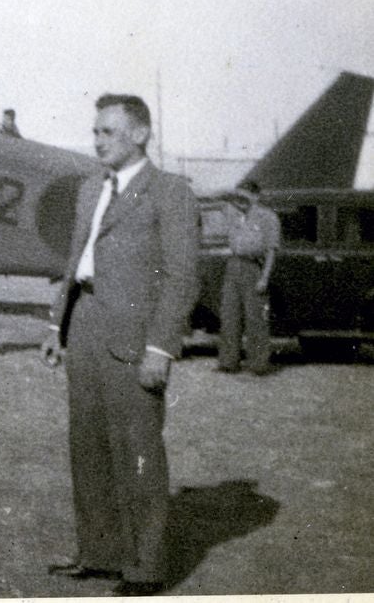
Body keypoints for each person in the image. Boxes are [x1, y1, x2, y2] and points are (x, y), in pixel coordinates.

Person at [39, 93, 198, 597]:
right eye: (95, 131)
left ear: (140, 134)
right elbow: (76, 260)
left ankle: (144, 567)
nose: (97, 141)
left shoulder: (169, 192)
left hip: (134, 336)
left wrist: (161, 348)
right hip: (84, 323)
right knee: (86, 447)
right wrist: (56, 326)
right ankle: (100, 553)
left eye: (108, 132)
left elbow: (181, 278)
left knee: (137, 452)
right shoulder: (91, 189)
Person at [217, 180, 280, 375]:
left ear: (256, 196)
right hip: (233, 266)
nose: (240, 200)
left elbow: (271, 251)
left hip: (254, 267)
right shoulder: (233, 213)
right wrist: (233, 193)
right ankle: (228, 362)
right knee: (229, 316)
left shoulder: (268, 217)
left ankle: (259, 365)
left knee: (256, 319)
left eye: (245, 196)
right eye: (238, 197)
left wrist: (264, 278)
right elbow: (217, 196)